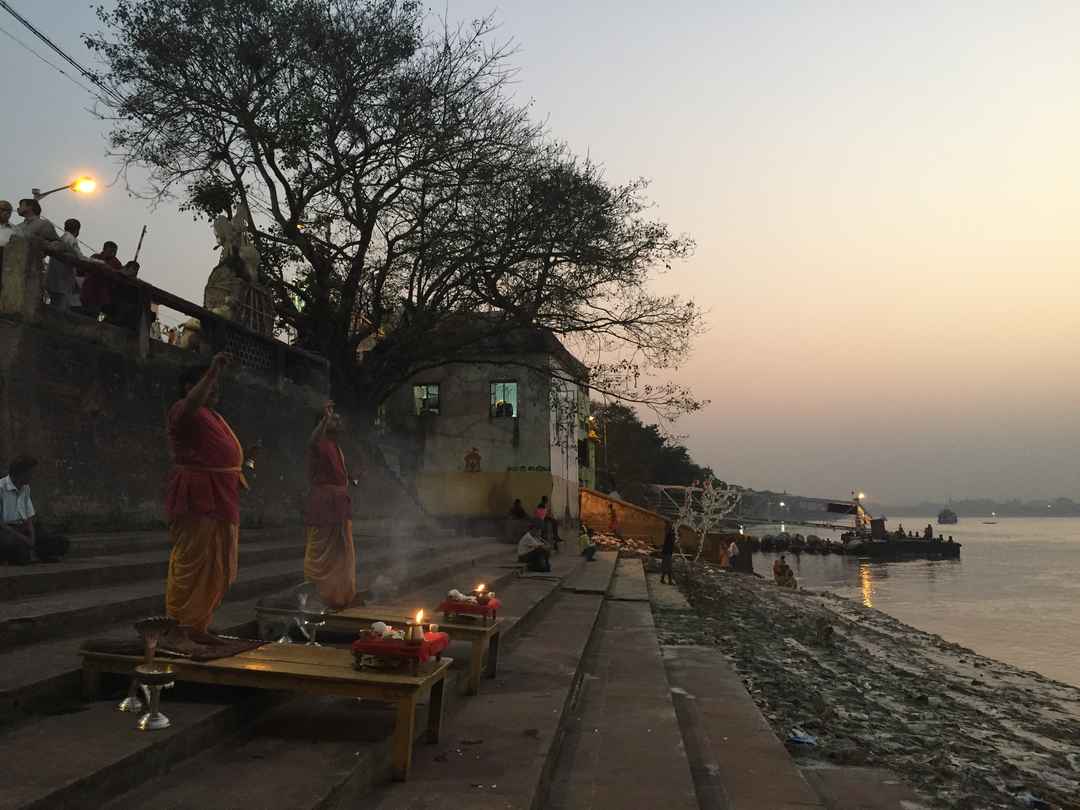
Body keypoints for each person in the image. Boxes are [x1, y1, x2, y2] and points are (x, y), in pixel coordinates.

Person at [164, 354, 248, 644]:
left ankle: (197, 625)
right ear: (190, 386)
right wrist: (212, 371)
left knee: (218, 566)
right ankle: (179, 625)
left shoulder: (215, 417)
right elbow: (190, 405)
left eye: (216, 387)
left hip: (221, 496)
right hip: (197, 495)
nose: (214, 390)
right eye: (208, 385)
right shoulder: (182, 411)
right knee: (193, 560)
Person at [303, 401, 357, 609]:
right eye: (333, 418)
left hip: (339, 504)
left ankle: (338, 596)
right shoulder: (318, 442)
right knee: (321, 551)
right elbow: (311, 442)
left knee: (342, 552)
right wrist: (325, 419)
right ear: (322, 422)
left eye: (337, 418)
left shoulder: (335, 445)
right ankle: (317, 594)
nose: (338, 422)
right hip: (324, 504)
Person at [0, 456, 69, 564]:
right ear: (20, 473)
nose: (32, 476)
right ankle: (28, 554)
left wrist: (32, 537)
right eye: (30, 473)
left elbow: (29, 518)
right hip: (7, 531)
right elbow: (2, 525)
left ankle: (37, 553)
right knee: (18, 549)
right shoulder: (1, 488)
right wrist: (24, 538)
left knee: (61, 542)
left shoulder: (25, 488)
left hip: (24, 528)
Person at [44, 218, 84, 310]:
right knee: (61, 308)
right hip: (63, 281)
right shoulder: (71, 240)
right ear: (77, 230)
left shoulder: (61, 239)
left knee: (54, 305)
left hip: (54, 279)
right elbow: (79, 258)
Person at [80, 240, 122, 317]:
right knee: (83, 313)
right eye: (111, 251)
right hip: (88, 290)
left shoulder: (116, 263)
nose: (113, 253)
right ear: (104, 249)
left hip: (101, 295)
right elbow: (84, 269)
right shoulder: (95, 257)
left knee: (93, 316)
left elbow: (118, 278)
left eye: (114, 251)